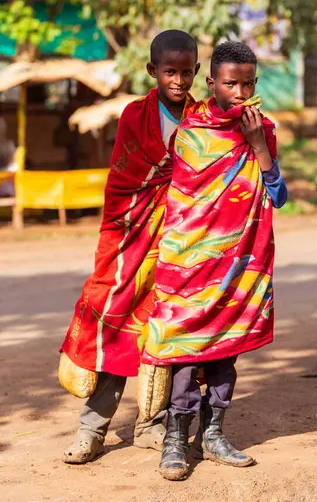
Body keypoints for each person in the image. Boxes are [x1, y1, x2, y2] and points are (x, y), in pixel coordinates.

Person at [141, 41, 287, 480]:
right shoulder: (190, 134)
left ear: (256, 83)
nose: (240, 93)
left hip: (241, 265)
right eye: (230, 84)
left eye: (247, 84)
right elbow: (182, 204)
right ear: (211, 84)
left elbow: (278, 196)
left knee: (227, 350)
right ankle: (174, 439)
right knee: (187, 349)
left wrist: (258, 142)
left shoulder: (264, 131)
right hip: (192, 266)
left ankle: (214, 433)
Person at [61, 30, 202, 464]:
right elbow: (123, 181)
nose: (177, 80)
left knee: (165, 331)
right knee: (114, 320)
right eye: (168, 71)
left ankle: (150, 425)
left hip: (183, 242)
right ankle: (92, 427)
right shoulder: (133, 116)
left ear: (197, 72)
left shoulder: (206, 117)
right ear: (152, 71)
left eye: (185, 72)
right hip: (131, 238)